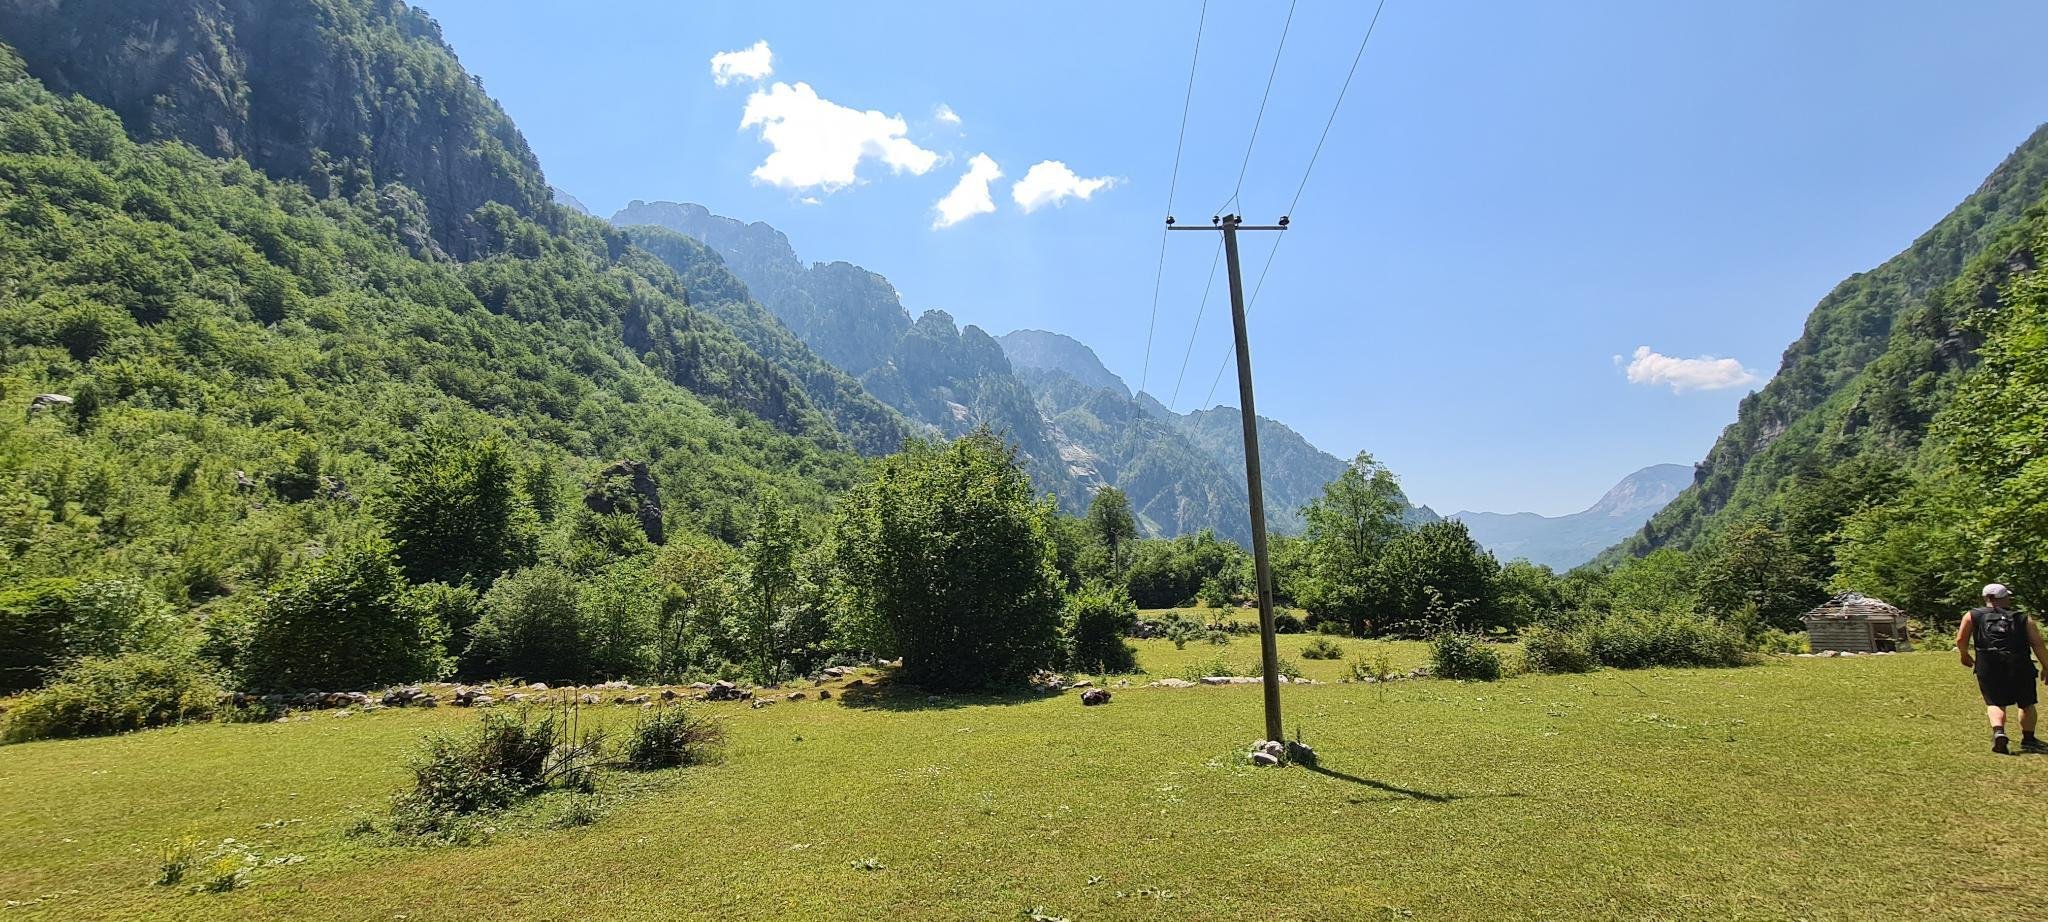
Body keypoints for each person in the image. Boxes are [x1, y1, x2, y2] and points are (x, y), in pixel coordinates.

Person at [1956, 583, 2048, 754]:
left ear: (1986, 598)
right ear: (2004, 598)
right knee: (2026, 703)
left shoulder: (1972, 615)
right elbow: (2038, 644)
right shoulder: (2022, 617)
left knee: (1994, 702)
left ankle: (1999, 732)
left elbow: (1961, 639)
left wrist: (1964, 655)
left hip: (1988, 663)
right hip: (2019, 663)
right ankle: (2028, 740)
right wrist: (2046, 666)